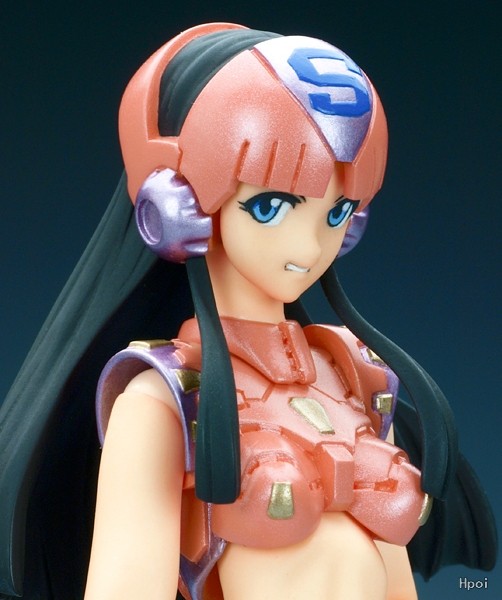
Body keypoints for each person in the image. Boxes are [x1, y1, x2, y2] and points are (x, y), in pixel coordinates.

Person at [0, 22, 496, 600]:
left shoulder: (350, 377)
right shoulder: (167, 400)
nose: (309, 244)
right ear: (177, 208)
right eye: (271, 206)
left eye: (337, 213)